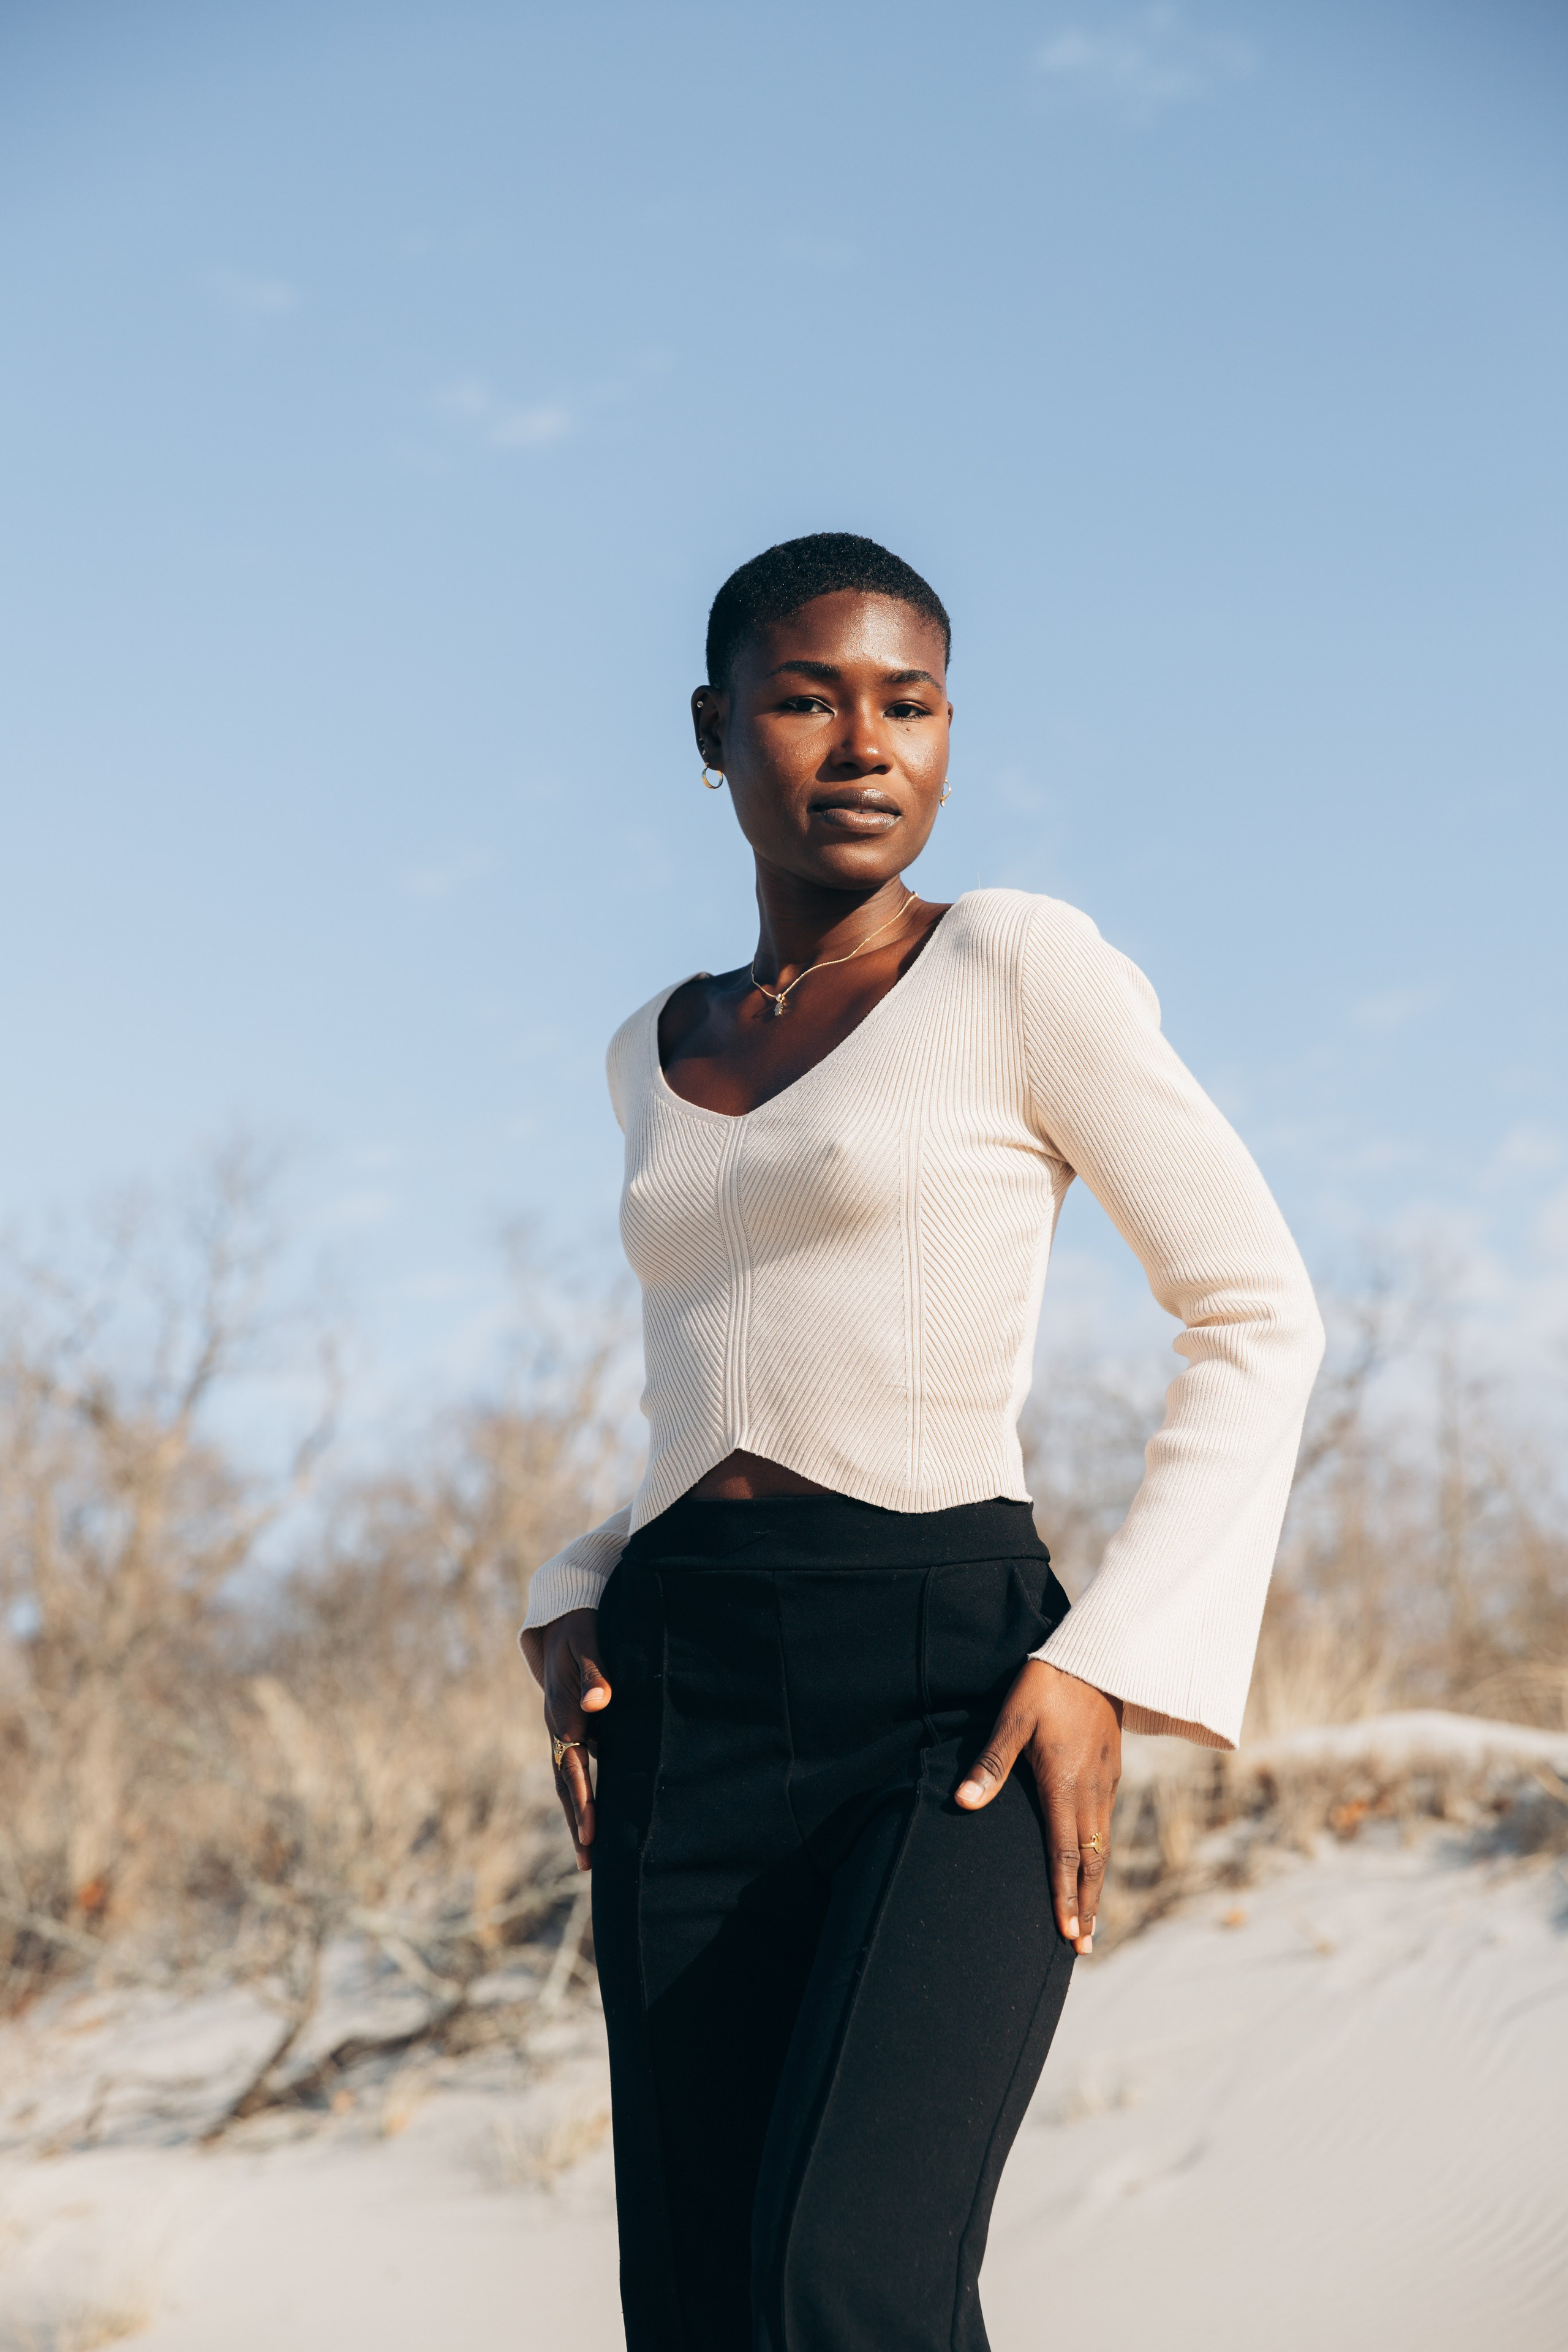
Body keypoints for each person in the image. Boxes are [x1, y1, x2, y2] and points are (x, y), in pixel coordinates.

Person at [519, 532, 1324, 2352]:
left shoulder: (1017, 969)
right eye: (810, 700)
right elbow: (716, 1382)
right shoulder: (651, 1052)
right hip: (685, 1692)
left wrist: (1109, 1659)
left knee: (848, 2285)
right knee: (708, 2309)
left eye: (912, 702)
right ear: (718, 731)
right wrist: (578, 1582)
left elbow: (1257, 1310)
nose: (867, 744)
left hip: (949, 1691)